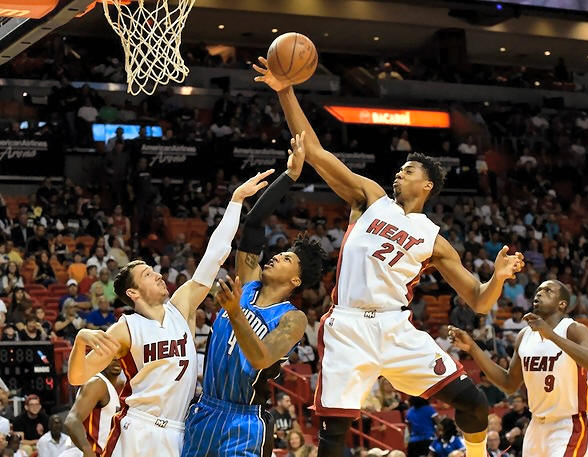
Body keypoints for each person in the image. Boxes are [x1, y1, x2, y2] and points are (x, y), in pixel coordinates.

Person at [254, 58, 525, 457]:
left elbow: (480, 301)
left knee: (474, 402)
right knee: (333, 437)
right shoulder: (370, 199)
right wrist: (285, 90)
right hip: (348, 325)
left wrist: (497, 278)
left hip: (396, 328)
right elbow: (313, 150)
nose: (399, 173)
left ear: (427, 185)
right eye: (400, 169)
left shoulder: (433, 239)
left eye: (408, 170)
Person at [67, 170, 273, 457]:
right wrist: (80, 340)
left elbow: (214, 255)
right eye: (147, 274)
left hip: (178, 431)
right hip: (137, 429)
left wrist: (236, 201)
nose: (158, 275)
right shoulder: (126, 328)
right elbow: (78, 376)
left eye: (155, 271)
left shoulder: (181, 307)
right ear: (133, 293)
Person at [181, 133, 325, 457]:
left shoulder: (293, 318)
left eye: (286, 258)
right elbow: (255, 223)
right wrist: (289, 176)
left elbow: (261, 358)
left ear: (296, 280)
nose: (275, 257)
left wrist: (235, 312)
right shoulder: (248, 282)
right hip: (204, 410)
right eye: (279, 253)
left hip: (244, 422)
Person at [449, 279, 588, 457]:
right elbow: (509, 384)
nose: (539, 293)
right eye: (539, 290)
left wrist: (551, 335)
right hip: (536, 425)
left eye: (548, 291)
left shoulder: (573, 329)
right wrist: (472, 348)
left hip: (570, 424)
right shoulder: (524, 335)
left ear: (562, 304)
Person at [60, 360, 122, 457]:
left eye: (119, 354)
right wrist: (88, 451)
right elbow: (72, 420)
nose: (116, 359)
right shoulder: (97, 383)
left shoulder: (111, 387)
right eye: (111, 355)